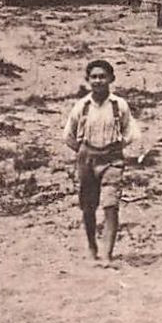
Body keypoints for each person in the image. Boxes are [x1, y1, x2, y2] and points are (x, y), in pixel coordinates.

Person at [62, 59, 142, 264]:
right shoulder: (82, 106)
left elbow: (131, 131)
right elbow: (68, 135)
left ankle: (107, 253)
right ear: (88, 80)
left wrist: (117, 147)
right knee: (88, 207)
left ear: (111, 79)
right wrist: (82, 152)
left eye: (102, 76)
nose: (98, 81)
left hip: (112, 161)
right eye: (94, 77)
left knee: (111, 206)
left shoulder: (119, 105)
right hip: (87, 160)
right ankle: (91, 245)